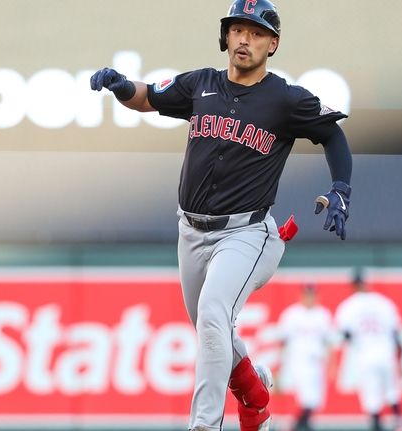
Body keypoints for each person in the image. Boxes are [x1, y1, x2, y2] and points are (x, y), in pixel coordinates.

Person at [90, 1, 352, 429]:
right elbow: (147, 98)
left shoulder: (285, 98)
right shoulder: (202, 84)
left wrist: (340, 187)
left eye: (255, 31)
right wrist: (120, 86)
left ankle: (204, 424)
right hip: (190, 231)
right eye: (237, 29)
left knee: (213, 312)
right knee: (212, 332)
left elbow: (332, 134)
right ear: (225, 36)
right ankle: (253, 391)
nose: (244, 38)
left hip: (247, 234)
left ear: (273, 43)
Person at [334, 271, 402, 431]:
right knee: (393, 393)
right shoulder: (383, 302)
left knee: (372, 399)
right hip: (386, 353)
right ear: (366, 283)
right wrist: (401, 361)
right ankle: (400, 427)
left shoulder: (348, 305)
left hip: (366, 355)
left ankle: (377, 427)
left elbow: (345, 335)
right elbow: (396, 336)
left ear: (353, 286)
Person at [276, 283, 336, 431]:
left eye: (312, 294)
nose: (310, 297)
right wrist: (280, 365)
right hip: (297, 361)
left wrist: (332, 364)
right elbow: (283, 342)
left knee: (315, 402)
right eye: (307, 294)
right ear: (302, 295)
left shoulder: (323, 315)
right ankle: (294, 425)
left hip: (317, 362)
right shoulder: (292, 314)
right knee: (307, 399)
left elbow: (330, 342)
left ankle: (298, 425)